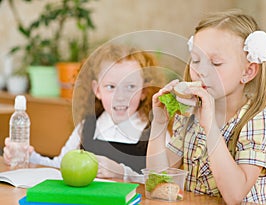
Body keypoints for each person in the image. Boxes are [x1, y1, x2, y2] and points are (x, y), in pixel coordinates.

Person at [147, 10, 266, 205]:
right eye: (196, 60)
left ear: (248, 71)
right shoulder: (189, 115)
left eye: (216, 63)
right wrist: (159, 123)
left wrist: (210, 126)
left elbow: (234, 196)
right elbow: (158, 180)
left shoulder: (259, 121)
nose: (201, 71)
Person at [4, 44, 169, 183]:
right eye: (111, 87)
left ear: (144, 91)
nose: (120, 96)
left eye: (130, 87)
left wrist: (122, 173)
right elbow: (60, 165)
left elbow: (163, 182)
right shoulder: (87, 126)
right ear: (97, 90)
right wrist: (29, 156)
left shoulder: (156, 133)